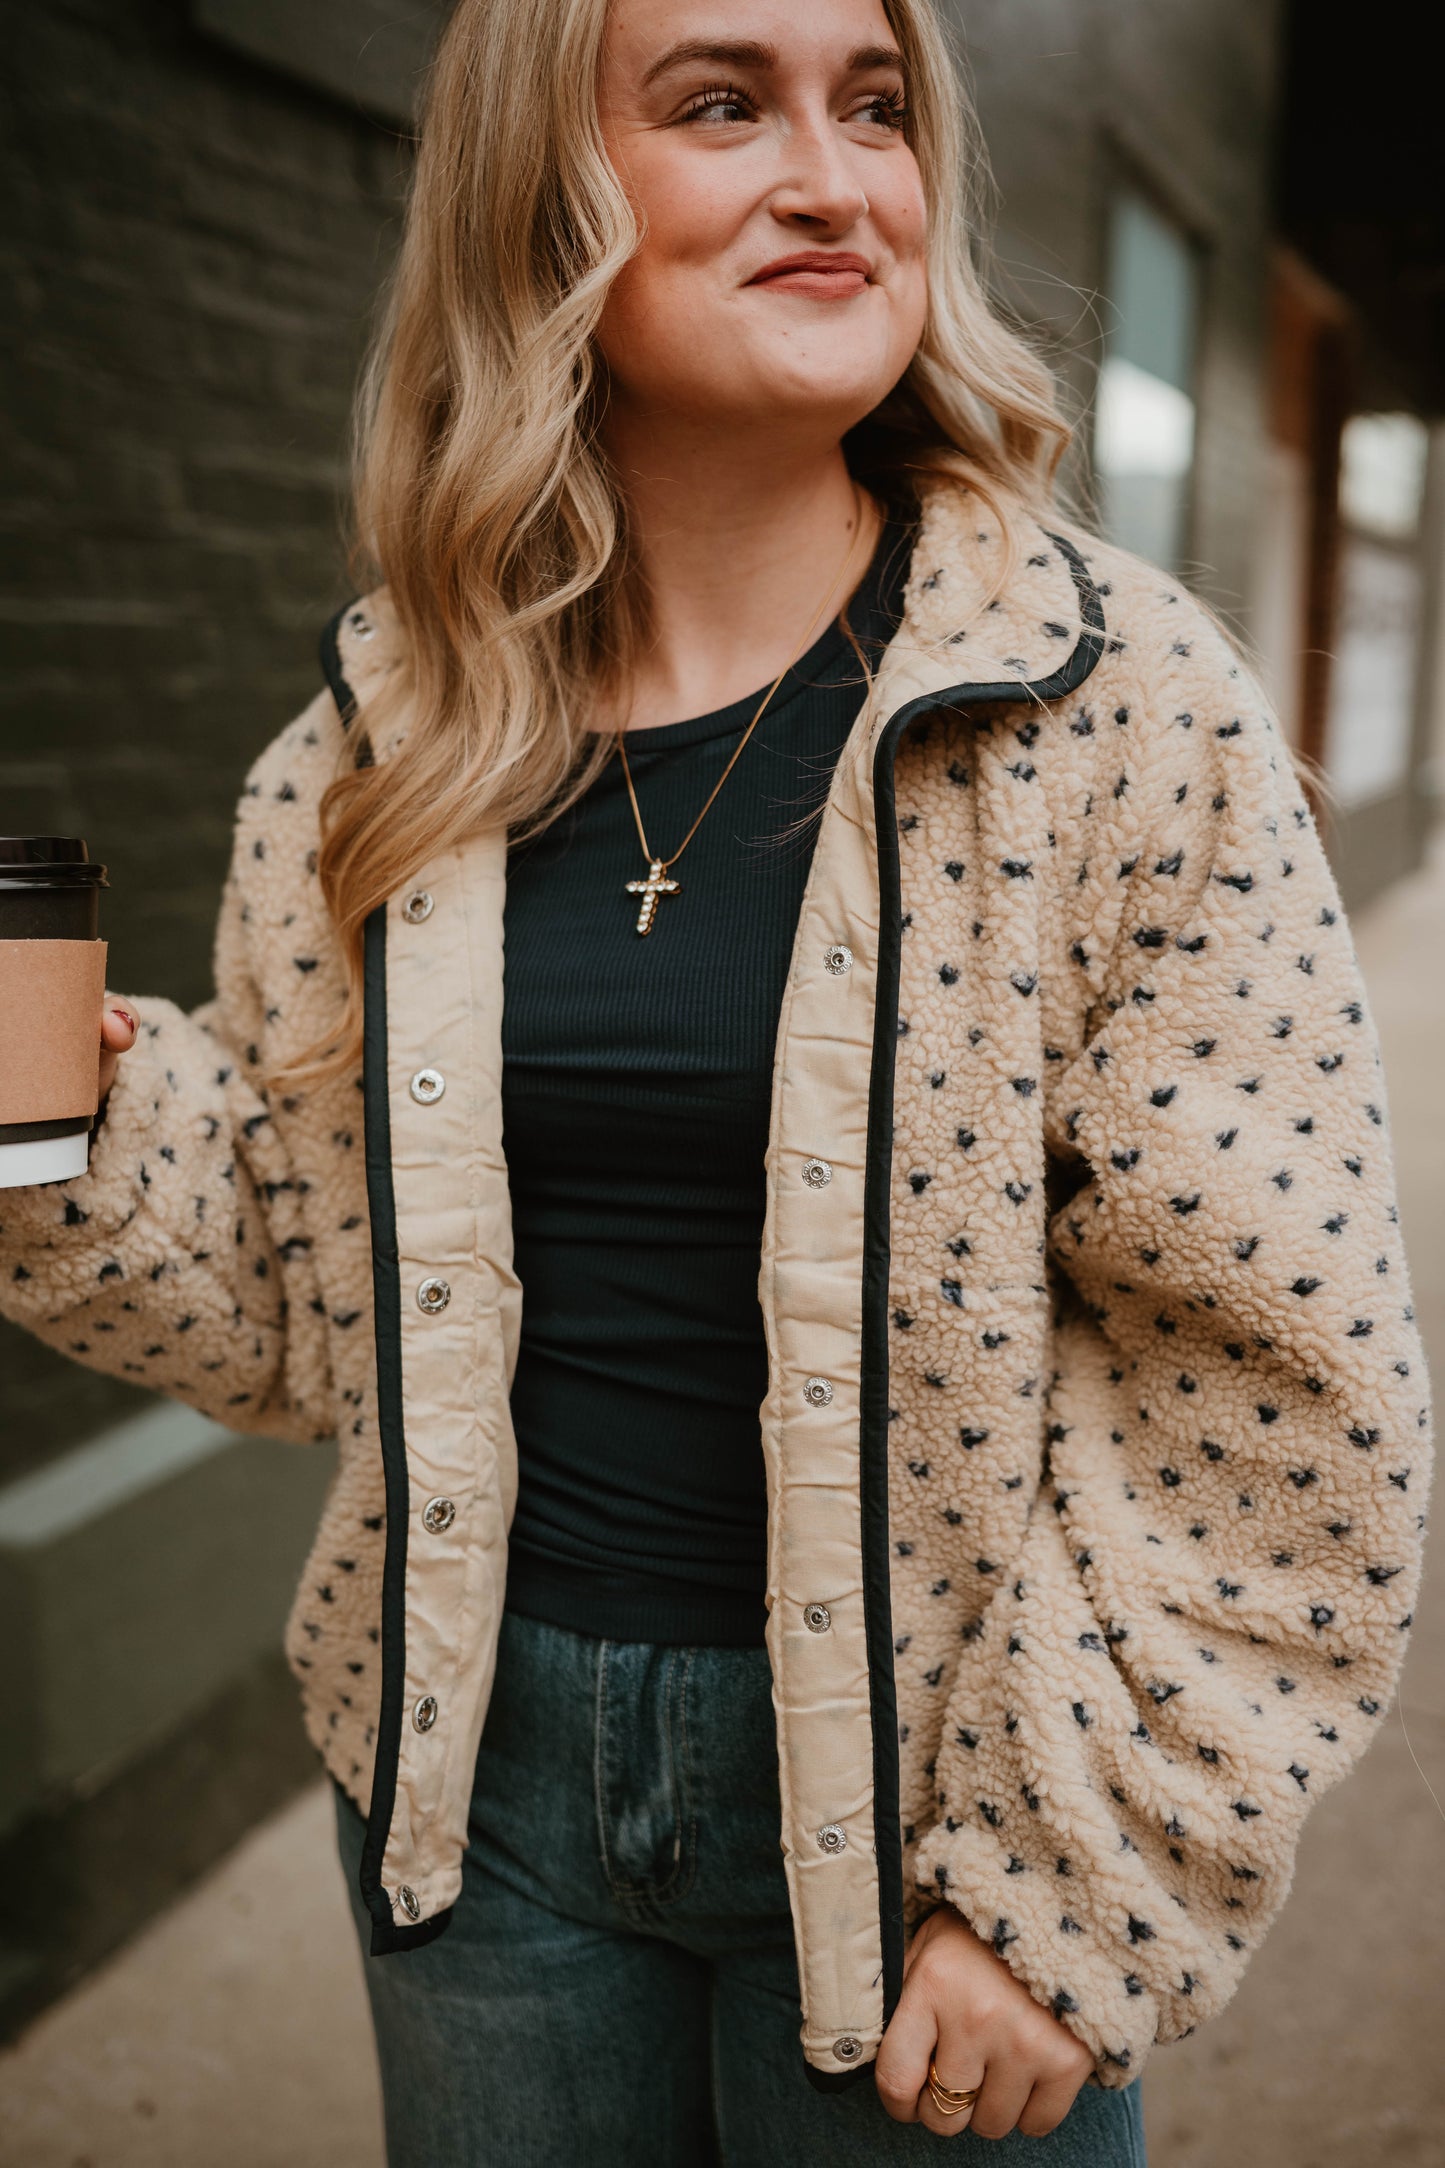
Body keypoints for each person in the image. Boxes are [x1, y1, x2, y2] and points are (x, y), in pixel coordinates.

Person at [0, 0, 1427, 2159]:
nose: (834, 178)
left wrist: (1072, 1885)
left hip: (938, 1827)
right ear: (535, 193)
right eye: (719, 102)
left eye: (875, 108)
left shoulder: (1115, 715)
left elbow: (1278, 1387)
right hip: (478, 1813)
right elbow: (305, 1299)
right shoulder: (395, 733)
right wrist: (67, 1132)